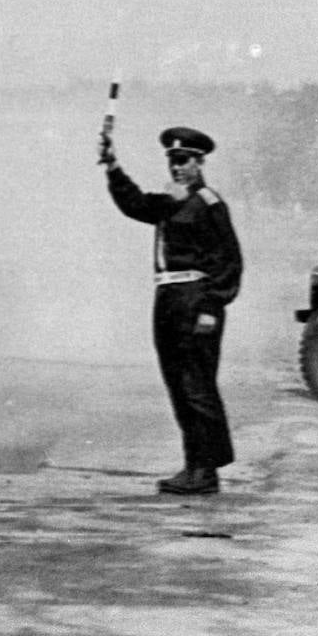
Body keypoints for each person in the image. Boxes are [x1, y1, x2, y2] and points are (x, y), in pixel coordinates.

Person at [99, 125, 243, 495]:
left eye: (183, 161)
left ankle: (207, 471)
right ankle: (192, 465)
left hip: (196, 299)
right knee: (178, 386)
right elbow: (134, 204)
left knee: (197, 387)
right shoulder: (171, 201)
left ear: (199, 163)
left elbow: (229, 261)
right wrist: (113, 167)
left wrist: (211, 307)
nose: (177, 168)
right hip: (167, 299)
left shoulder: (209, 203)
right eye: (172, 162)